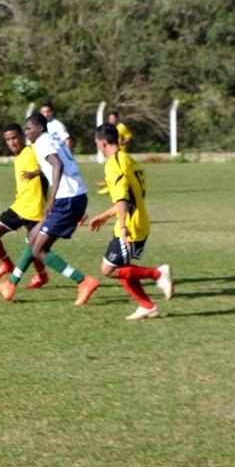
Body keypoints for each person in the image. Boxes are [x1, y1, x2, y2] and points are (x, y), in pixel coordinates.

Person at [0, 112, 99, 304]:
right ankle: (11, 284)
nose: (27, 133)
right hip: (75, 196)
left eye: (28, 129)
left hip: (66, 199)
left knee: (39, 249)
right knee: (33, 239)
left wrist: (52, 199)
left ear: (39, 128)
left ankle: (83, 281)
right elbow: (56, 163)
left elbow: (57, 165)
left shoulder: (41, 142)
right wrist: (37, 173)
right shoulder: (51, 140)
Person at [87, 123, 173, 320]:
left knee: (109, 269)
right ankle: (147, 306)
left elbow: (123, 199)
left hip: (130, 225)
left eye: (97, 142)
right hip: (139, 219)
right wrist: (105, 216)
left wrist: (124, 227)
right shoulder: (128, 158)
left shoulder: (113, 164)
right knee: (122, 268)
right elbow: (130, 197)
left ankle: (158, 274)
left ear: (102, 142)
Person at [0, 123, 49, 289]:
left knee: (34, 247)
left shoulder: (33, 150)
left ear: (22, 136)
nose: (11, 142)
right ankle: (7, 265)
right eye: (7, 140)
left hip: (37, 210)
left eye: (14, 138)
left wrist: (38, 172)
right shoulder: (18, 158)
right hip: (19, 206)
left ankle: (42, 276)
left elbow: (52, 165)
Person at [97, 111, 132, 194]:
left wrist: (122, 143)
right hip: (112, 152)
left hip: (120, 152)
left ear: (117, 119)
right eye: (110, 118)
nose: (111, 120)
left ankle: (112, 186)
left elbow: (129, 137)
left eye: (113, 118)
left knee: (119, 170)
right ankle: (108, 184)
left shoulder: (122, 127)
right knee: (112, 168)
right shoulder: (109, 128)